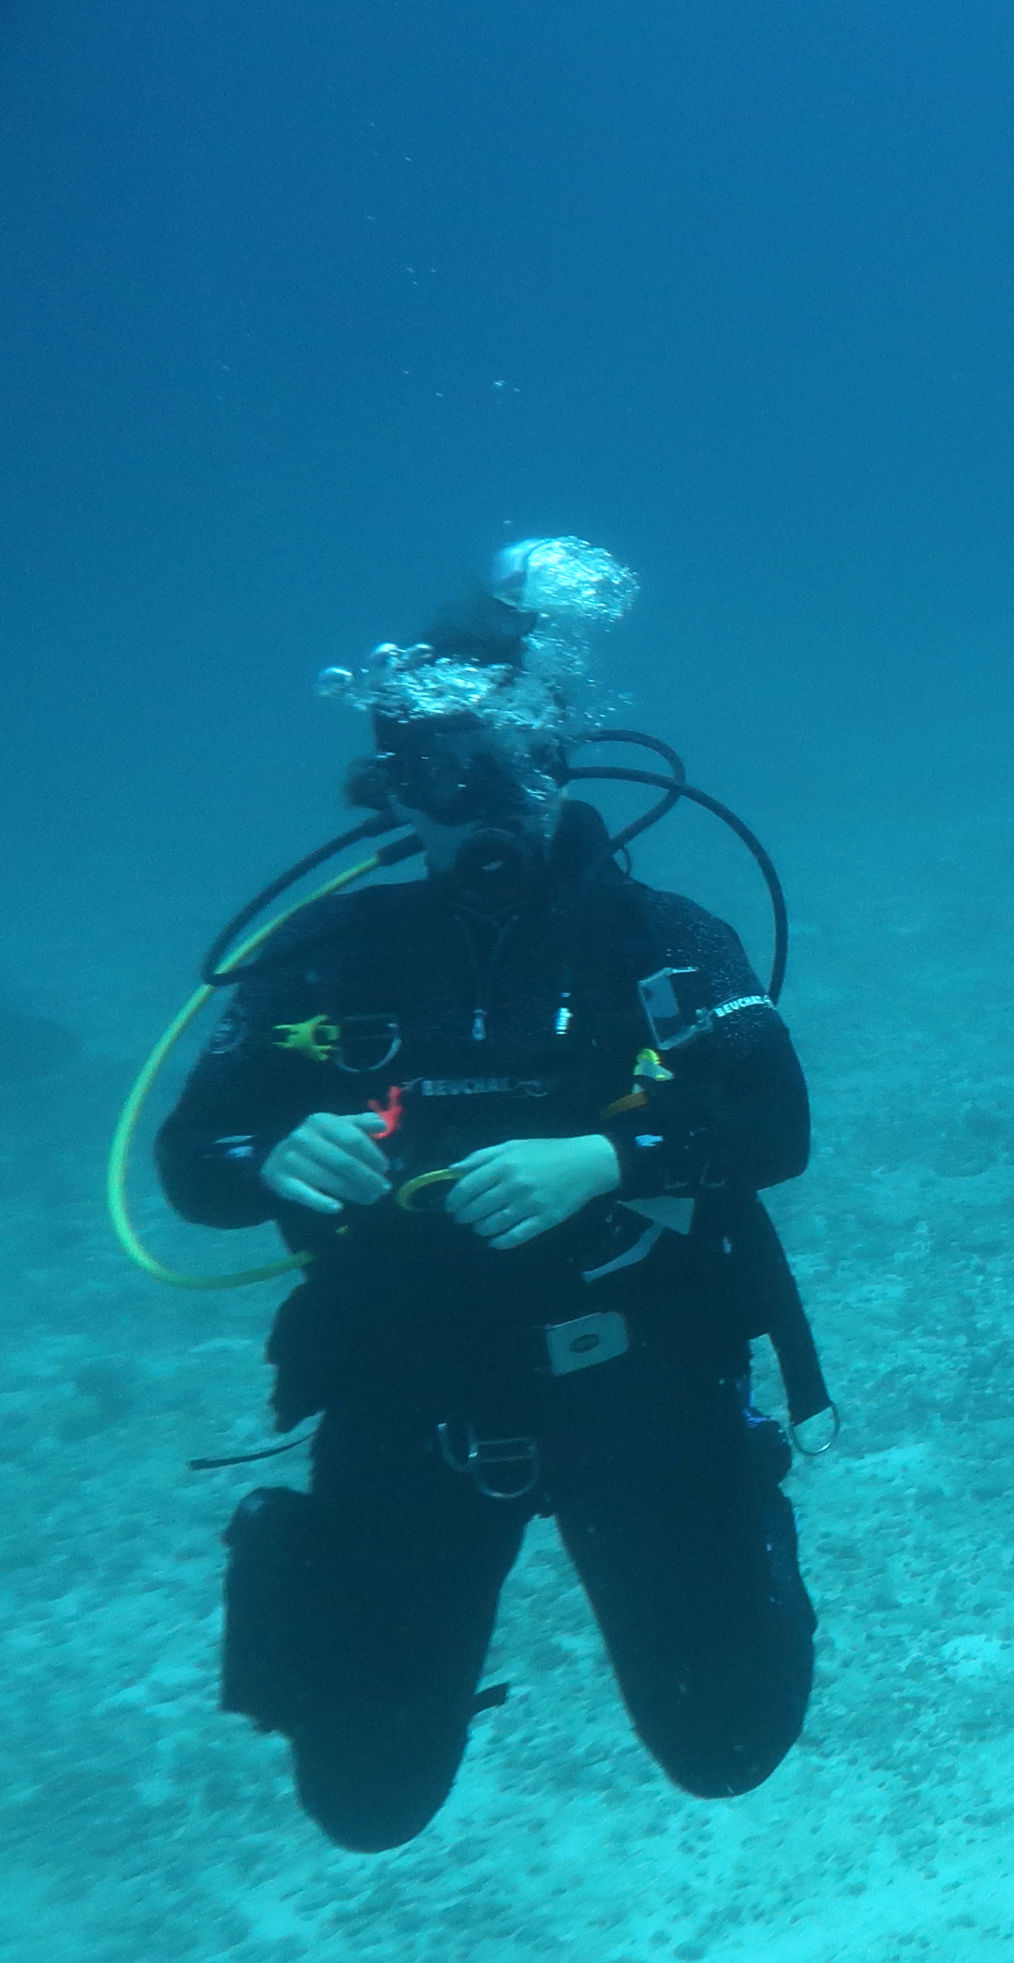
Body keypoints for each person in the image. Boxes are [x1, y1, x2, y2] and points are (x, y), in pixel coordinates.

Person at [157, 544, 821, 1852]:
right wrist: (277, 1156)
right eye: (439, 778)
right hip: (406, 1384)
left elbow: (776, 1122)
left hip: (639, 1365)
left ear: (558, 758)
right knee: (365, 1796)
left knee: (730, 1745)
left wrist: (607, 1160)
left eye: (511, 769)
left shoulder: (664, 938)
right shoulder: (325, 956)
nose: (484, 816)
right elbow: (193, 1160)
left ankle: (745, 1514)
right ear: (398, 793)